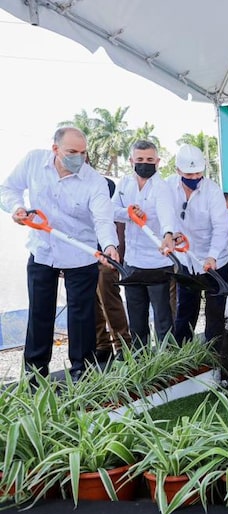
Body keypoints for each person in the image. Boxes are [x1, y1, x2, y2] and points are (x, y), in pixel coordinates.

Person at [0, 127, 119, 378]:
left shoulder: (94, 181)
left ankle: (82, 373)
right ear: (55, 149)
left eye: (83, 153)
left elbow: (103, 219)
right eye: (72, 152)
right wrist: (17, 208)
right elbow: (7, 189)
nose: (80, 158)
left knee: (82, 316)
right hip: (42, 251)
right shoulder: (33, 161)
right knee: (40, 314)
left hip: (81, 255)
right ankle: (35, 376)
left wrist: (110, 245)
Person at [112, 140, 177, 347]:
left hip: (158, 263)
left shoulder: (162, 187)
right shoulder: (124, 184)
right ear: (131, 160)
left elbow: (167, 214)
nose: (145, 163)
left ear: (157, 161)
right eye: (140, 159)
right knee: (136, 316)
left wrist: (168, 234)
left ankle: (168, 359)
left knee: (162, 318)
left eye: (150, 160)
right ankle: (140, 359)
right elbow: (111, 210)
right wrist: (129, 213)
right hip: (132, 262)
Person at [168, 144, 228, 349]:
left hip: (216, 262)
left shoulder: (212, 191)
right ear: (178, 171)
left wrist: (212, 256)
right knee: (185, 308)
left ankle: (215, 354)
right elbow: (164, 215)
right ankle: (182, 353)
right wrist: (171, 233)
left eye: (198, 173)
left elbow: (221, 227)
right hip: (187, 260)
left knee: (214, 311)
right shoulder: (168, 187)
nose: (195, 177)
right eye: (189, 173)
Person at [95, 176, 131, 362]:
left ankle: (122, 345)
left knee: (110, 300)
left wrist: (118, 253)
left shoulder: (105, 184)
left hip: (108, 256)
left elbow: (117, 222)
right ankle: (102, 345)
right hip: (82, 257)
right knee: (90, 304)